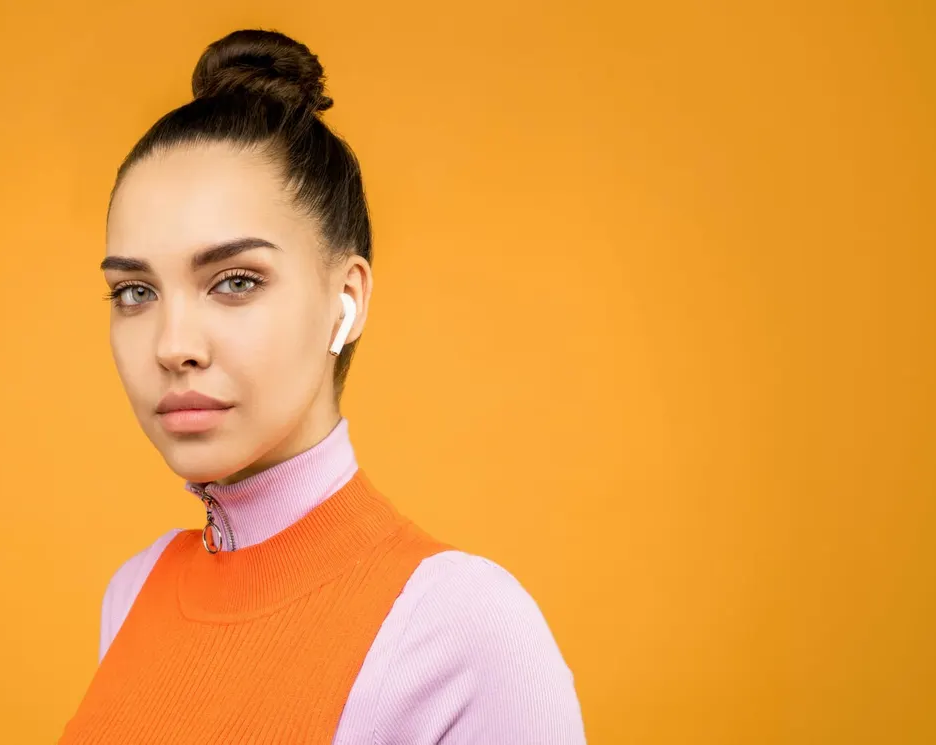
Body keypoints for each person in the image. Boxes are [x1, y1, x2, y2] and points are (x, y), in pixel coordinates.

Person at [59, 28, 586, 744]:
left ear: (347, 298)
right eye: (134, 291)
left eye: (235, 281)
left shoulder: (464, 630)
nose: (173, 345)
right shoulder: (133, 591)